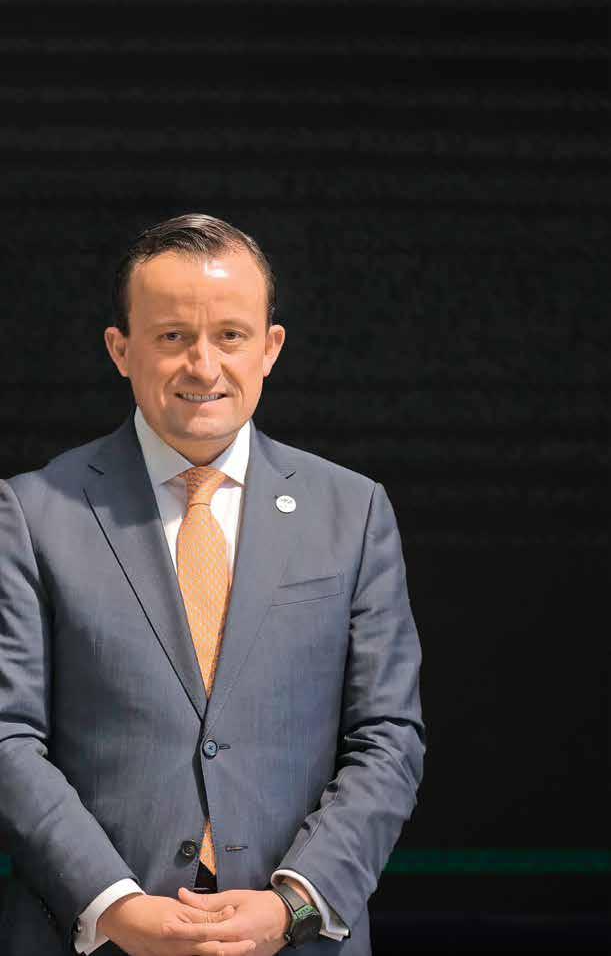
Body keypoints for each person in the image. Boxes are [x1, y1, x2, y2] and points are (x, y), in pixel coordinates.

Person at [0, 213, 425, 956]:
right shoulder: (32, 513)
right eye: (172, 336)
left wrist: (293, 904)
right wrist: (115, 907)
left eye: (230, 335)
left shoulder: (352, 511)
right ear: (120, 349)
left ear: (270, 347)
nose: (203, 366)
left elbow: (387, 737)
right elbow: (7, 735)